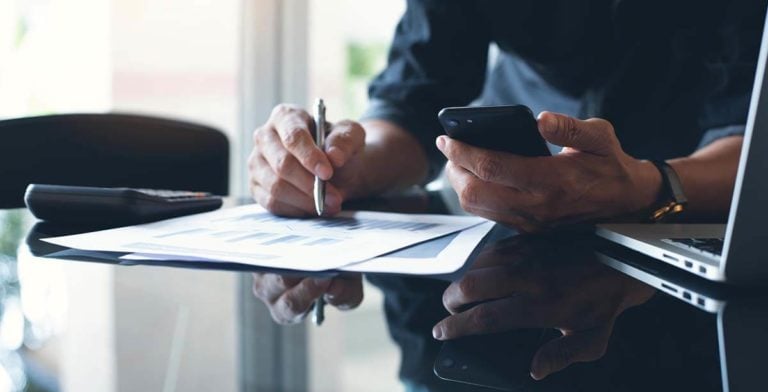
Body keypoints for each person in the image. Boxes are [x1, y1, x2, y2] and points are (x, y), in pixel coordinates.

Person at [249, 0, 766, 231]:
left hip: (691, 239)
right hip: (506, 239)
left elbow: (751, 140)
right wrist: (342, 162)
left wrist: (650, 183)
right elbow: (413, 104)